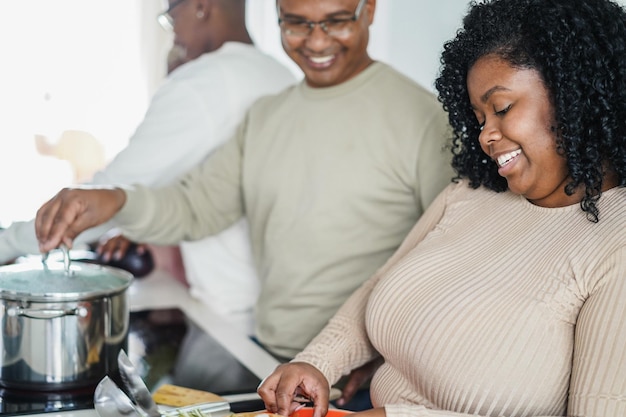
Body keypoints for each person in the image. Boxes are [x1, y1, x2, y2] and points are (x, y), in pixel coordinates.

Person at [34, 0, 454, 408]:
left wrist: (388, 354)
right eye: (295, 23)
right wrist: (116, 200)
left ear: (371, 10)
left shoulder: (422, 118)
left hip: (366, 380)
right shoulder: (266, 117)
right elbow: (195, 206)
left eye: (336, 21)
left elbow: (453, 253)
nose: (316, 41)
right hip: (272, 362)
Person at [255, 0, 626, 416]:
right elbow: (380, 284)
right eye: (479, 116)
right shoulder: (470, 192)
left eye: (501, 108)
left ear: (574, 95)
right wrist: (317, 362)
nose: (486, 135)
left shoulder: (616, 248)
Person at [0, 0, 296, 332]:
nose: (173, 37)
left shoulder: (204, 82)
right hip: (280, 309)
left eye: (171, 19)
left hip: (229, 314)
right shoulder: (279, 74)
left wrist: (8, 243)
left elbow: (104, 197)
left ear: (200, 6)